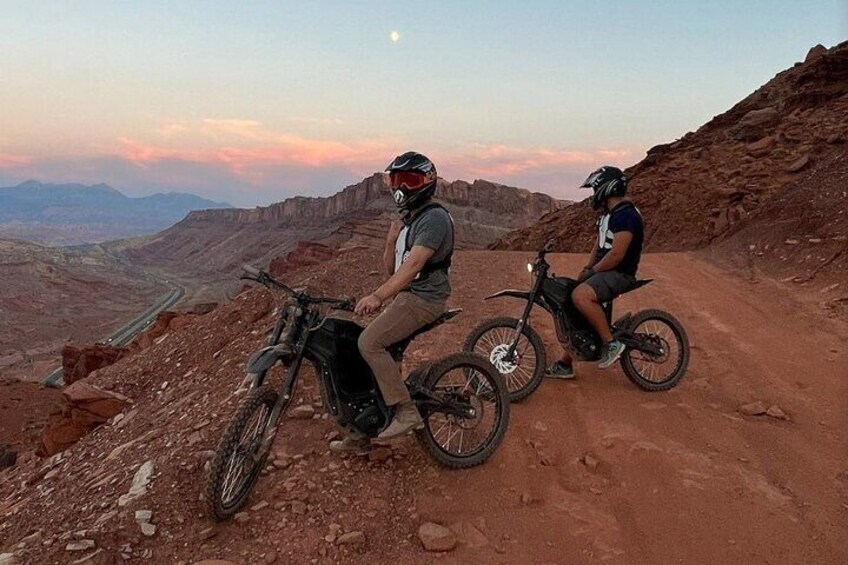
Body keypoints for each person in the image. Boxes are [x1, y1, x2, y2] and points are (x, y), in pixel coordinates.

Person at [330, 151, 454, 454]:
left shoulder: (434, 219)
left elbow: (412, 269)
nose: (401, 187)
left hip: (425, 298)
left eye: (409, 180)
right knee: (359, 346)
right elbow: (393, 269)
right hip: (408, 296)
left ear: (427, 182)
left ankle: (406, 411)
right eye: (397, 180)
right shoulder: (409, 221)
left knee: (369, 343)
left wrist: (377, 296)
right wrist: (389, 241)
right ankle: (362, 430)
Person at [546, 166, 644, 379]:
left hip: (620, 273)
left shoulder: (626, 215)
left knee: (580, 296)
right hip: (606, 271)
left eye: (595, 188)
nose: (594, 193)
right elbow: (599, 245)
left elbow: (617, 254)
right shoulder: (609, 215)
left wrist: (594, 270)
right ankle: (566, 363)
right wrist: (587, 268)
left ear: (607, 188)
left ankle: (611, 343)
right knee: (571, 299)